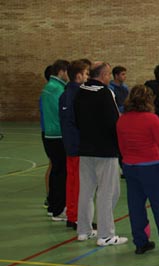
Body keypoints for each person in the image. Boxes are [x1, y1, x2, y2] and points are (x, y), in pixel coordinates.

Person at [117, 85, 159, 255]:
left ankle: (141, 242)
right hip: (150, 166)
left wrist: (127, 161)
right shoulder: (152, 119)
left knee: (135, 206)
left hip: (130, 166)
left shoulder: (122, 119)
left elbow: (121, 146)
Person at [74, 62, 128, 246]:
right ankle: (105, 234)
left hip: (86, 148)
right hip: (105, 149)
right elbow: (114, 121)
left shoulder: (80, 91)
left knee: (87, 190)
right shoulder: (105, 93)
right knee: (108, 192)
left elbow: (76, 119)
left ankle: (84, 230)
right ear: (104, 74)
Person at [59, 59, 90, 230]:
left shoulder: (65, 94)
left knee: (72, 182)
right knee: (80, 183)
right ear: (78, 76)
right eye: (86, 74)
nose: (87, 77)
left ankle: (72, 215)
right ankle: (78, 217)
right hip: (78, 146)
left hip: (69, 145)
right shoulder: (79, 95)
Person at [41, 59, 69, 222]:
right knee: (60, 174)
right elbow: (62, 114)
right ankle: (59, 209)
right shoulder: (56, 89)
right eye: (67, 72)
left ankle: (53, 206)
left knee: (56, 172)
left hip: (52, 135)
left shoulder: (51, 87)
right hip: (57, 136)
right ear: (61, 72)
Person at [41, 64, 52, 212]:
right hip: (49, 133)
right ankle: (50, 196)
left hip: (49, 132)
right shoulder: (49, 92)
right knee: (53, 166)